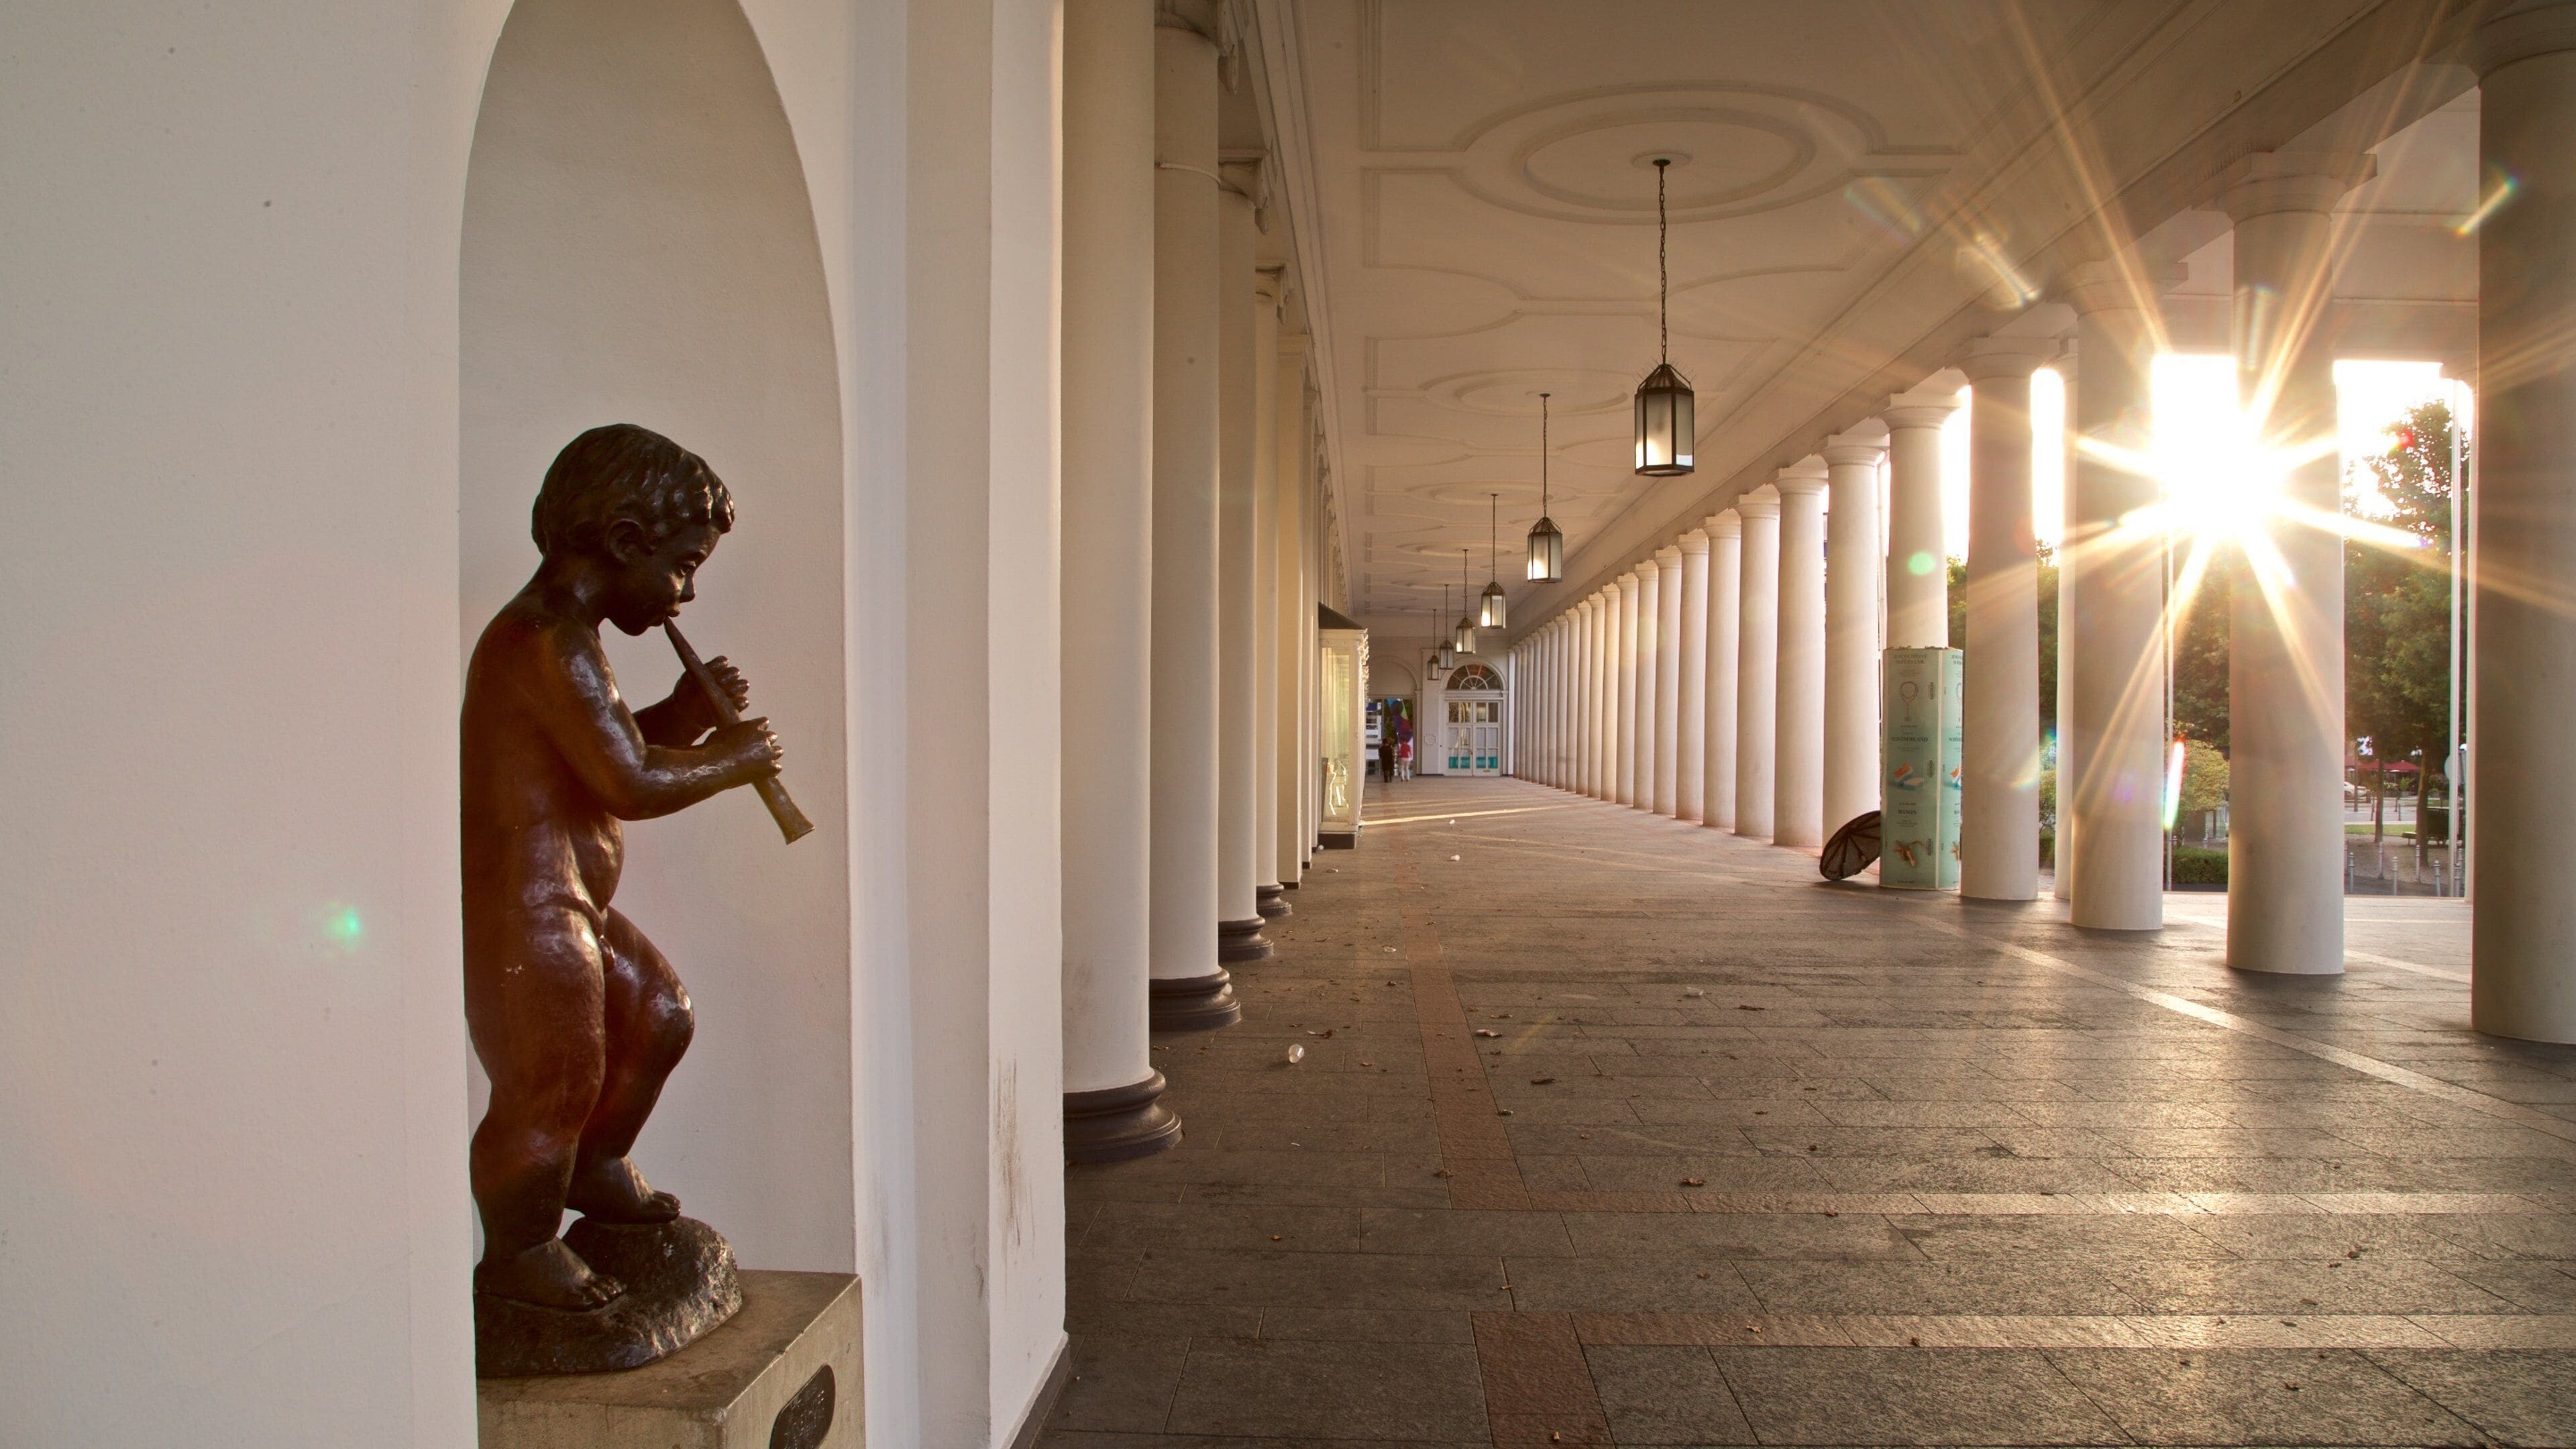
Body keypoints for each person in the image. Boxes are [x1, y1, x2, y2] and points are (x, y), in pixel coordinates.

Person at [460, 424, 782, 1311]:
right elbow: (628, 781)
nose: (686, 591)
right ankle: (521, 1256)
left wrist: (682, 715)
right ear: (627, 542)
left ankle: (593, 1169)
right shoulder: (543, 641)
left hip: (572, 903)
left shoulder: (572, 642)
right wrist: (737, 760)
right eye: (682, 565)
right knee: (550, 1083)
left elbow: (606, 752)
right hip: (528, 913)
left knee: (658, 1016)